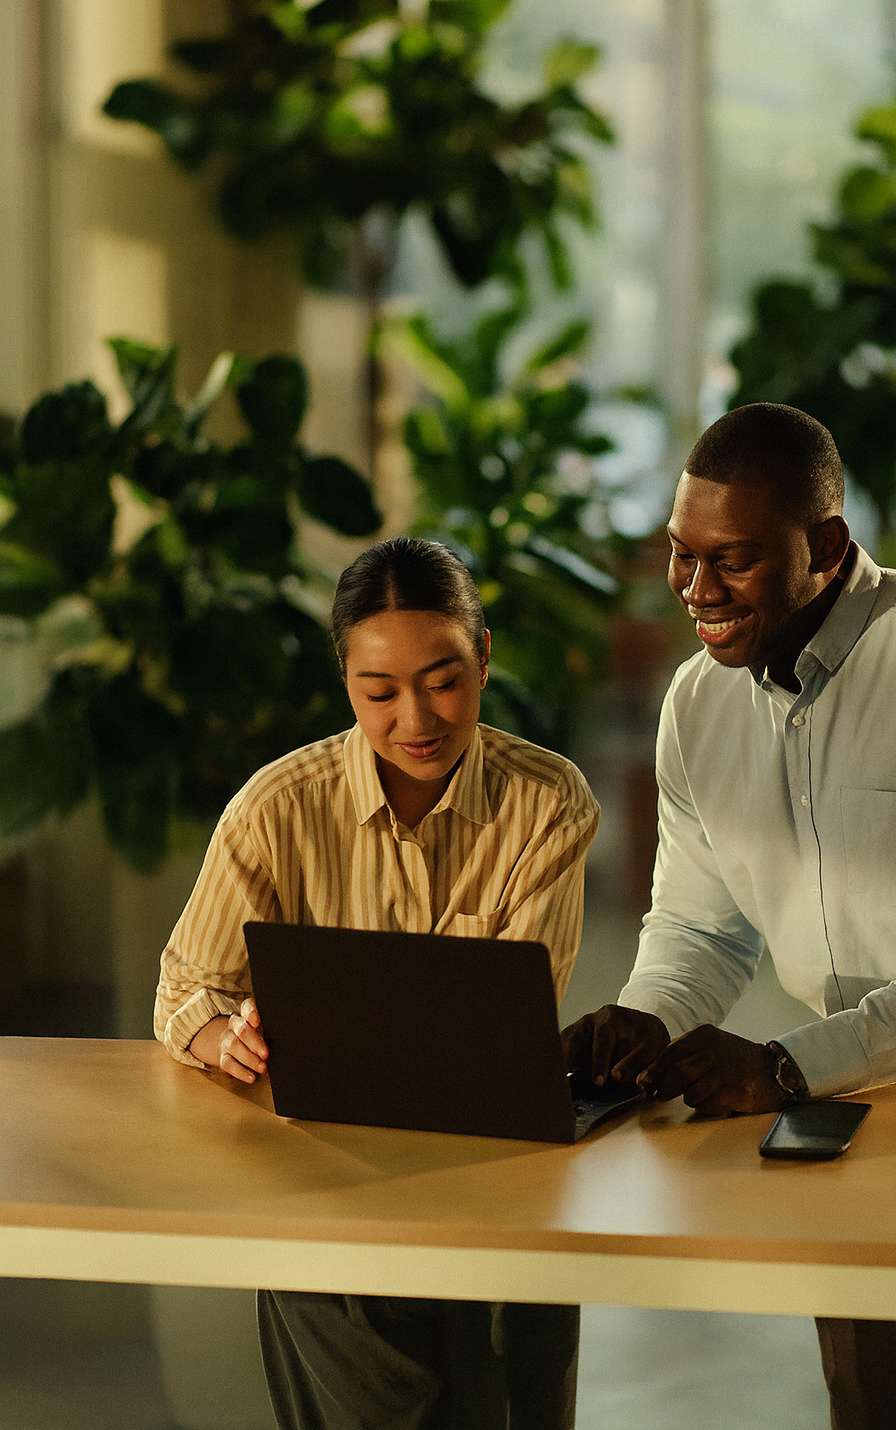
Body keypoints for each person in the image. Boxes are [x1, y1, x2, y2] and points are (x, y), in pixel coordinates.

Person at [562, 402, 896, 1430]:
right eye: (680, 557)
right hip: (845, 1096)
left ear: (825, 546)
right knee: (867, 1402)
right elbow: (700, 929)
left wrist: (784, 1065)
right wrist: (649, 1020)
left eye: (731, 562)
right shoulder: (697, 703)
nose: (693, 591)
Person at [156, 536, 599, 1430]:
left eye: (442, 680)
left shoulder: (547, 802)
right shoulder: (276, 809)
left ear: (484, 657)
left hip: (495, 1174)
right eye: (379, 693)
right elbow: (182, 989)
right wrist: (223, 1037)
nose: (416, 719)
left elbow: (516, 1013)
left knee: (515, 1402)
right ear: (345, 684)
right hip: (328, 1185)